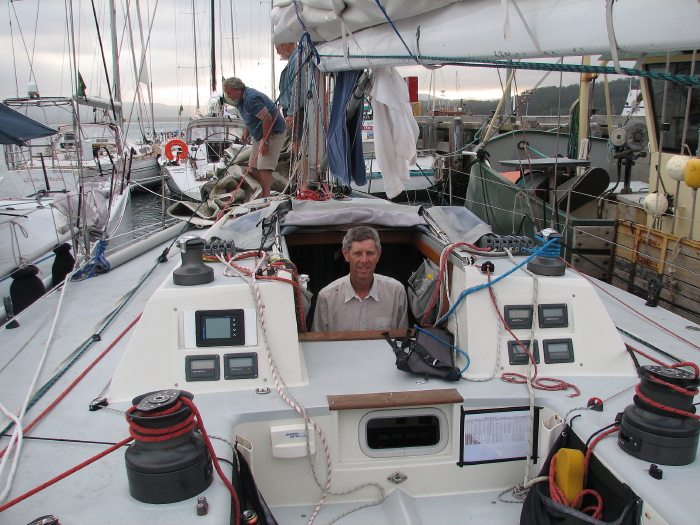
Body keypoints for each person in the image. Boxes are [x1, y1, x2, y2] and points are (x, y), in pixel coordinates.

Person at [311, 226, 409, 332]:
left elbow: (403, 341)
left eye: (370, 253)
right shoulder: (327, 297)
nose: (364, 260)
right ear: (346, 254)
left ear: (378, 254)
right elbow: (318, 344)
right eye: (357, 254)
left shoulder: (396, 292)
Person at [222, 77, 286, 197]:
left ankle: (266, 198)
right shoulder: (239, 101)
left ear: (238, 90)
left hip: (272, 132)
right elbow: (250, 117)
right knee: (254, 166)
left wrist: (266, 143)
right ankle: (261, 193)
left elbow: (267, 118)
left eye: (229, 93)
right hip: (259, 134)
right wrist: (246, 131)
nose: (228, 96)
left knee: (264, 167)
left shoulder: (251, 99)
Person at [275, 42, 306, 151]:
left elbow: (298, 88)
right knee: (295, 145)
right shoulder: (295, 60)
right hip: (293, 110)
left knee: (296, 146)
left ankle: (301, 167)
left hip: (296, 112)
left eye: (277, 48)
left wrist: (292, 113)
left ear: (285, 46)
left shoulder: (297, 60)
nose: (277, 52)